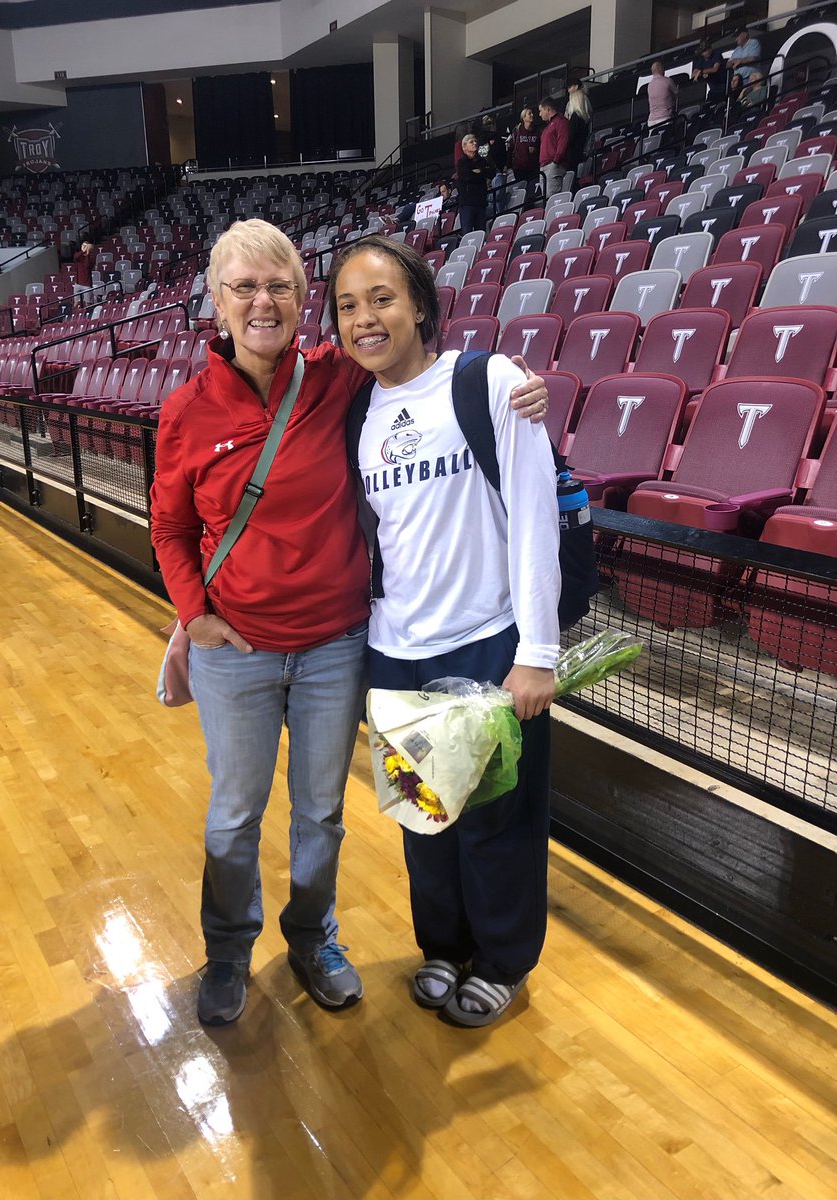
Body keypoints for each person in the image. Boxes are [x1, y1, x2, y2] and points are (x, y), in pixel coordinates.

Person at [149, 220, 551, 1027]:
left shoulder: (340, 379)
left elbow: (423, 366)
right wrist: (195, 617)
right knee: (252, 813)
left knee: (337, 812)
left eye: (283, 288)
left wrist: (527, 382)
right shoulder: (194, 409)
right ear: (216, 303)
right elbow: (168, 527)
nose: (264, 302)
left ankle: (323, 939)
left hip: (346, 647)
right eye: (244, 287)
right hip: (278, 648)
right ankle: (233, 951)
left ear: (303, 304)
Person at [328, 234, 560, 1029]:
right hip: (394, 650)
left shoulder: (487, 381)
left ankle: (501, 961)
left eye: (382, 298)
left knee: (498, 819)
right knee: (424, 820)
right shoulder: (353, 408)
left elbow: (534, 518)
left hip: (488, 642)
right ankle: (444, 947)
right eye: (348, 306)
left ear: (420, 304)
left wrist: (537, 651)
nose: (366, 319)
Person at [455, 133, 490, 234]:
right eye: (471, 142)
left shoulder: (482, 161)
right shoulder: (462, 162)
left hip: (480, 202)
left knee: (481, 233)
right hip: (467, 204)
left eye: (475, 141)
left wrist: (479, 172)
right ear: (464, 146)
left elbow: (491, 172)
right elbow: (467, 177)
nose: (475, 143)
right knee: (467, 233)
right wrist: (480, 173)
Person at [537, 97, 570, 199]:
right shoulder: (548, 126)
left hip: (553, 166)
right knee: (546, 199)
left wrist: (555, 161)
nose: (539, 114)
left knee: (552, 199)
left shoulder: (560, 122)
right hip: (544, 167)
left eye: (540, 111)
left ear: (547, 109)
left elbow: (563, 142)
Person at [507, 107, 542, 202]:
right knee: (523, 190)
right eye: (529, 113)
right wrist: (508, 165)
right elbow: (510, 149)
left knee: (532, 190)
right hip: (519, 168)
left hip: (533, 167)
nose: (532, 115)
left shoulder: (537, 132)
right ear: (523, 117)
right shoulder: (517, 132)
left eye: (532, 113)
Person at [564, 81, 592, 175]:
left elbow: (570, 137)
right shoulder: (584, 118)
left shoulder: (575, 117)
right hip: (580, 151)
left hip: (573, 154)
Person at [728, 27, 763, 94]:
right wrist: (734, 61)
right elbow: (727, 64)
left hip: (750, 79)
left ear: (745, 34)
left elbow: (753, 58)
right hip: (737, 82)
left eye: (738, 36)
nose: (736, 39)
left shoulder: (753, 43)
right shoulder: (736, 50)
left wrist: (740, 61)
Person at [647, 61, 677, 127]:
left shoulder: (650, 85)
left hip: (651, 120)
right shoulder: (667, 81)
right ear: (660, 69)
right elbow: (677, 93)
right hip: (664, 117)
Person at [72, 241, 96, 306]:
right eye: (83, 245)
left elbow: (87, 266)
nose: (83, 247)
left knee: (88, 303)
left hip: (87, 284)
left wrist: (87, 254)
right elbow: (75, 257)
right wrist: (83, 251)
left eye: (85, 246)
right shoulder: (79, 255)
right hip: (77, 283)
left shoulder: (91, 257)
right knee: (76, 303)